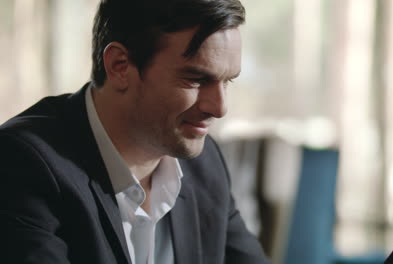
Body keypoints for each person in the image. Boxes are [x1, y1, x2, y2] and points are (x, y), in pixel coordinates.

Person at [0, 0, 271, 263]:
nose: (220, 108)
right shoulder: (22, 163)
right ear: (120, 66)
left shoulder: (204, 163)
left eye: (228, 81)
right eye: (196, 79)